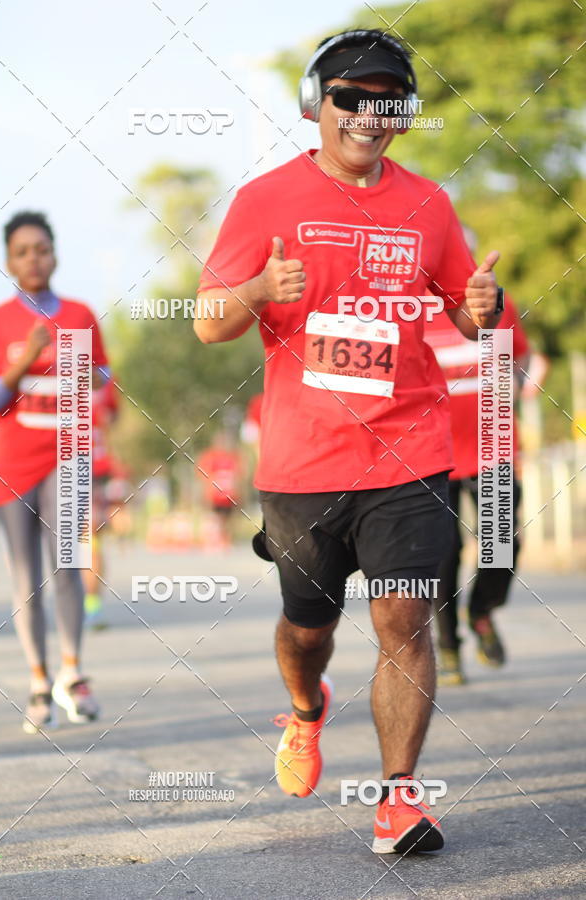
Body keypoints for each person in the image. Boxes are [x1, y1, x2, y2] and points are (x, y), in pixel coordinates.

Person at [195, 29, 504, 855]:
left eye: (388, 100)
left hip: (411, 449)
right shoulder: (264, 199)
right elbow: (208, 322)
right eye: (351, 97)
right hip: (304, 462)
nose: (370, 113)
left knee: (404, 618)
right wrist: (260, 287)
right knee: (309, 628)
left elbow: (468, 314)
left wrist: (486, 304)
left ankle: (399, 799)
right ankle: (306, 709)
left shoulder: (429, 205)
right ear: (316, 104)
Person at [0, 211, 109, 733]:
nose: (33, 259)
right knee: (26, 577)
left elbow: (103, 377)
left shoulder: (80, 314)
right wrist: (29, 357)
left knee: (68, 565)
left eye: (41, 248)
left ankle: (72, 675)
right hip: (13, 461)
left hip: (69, 454)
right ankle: (39, 683)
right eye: (22, 252)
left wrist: (91, 373)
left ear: (54, 254)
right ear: (9, 262)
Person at [423, 256, 530, 684]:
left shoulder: (497, 303)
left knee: (502, 542)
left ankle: (482, 611)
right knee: (443, 553)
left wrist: (512, 391)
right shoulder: (411, 310)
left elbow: (519, 358)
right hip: (431, 452)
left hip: (494, 445)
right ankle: (448, 644)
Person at [82, 378, 120, 629]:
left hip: (94, 470)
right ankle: (84, 601)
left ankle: (92, 604)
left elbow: (114, 417)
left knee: (89, 539)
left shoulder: (106, 379)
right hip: (57, 468)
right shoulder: (47, 370)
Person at [197, 431, 243, 549]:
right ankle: (214, 539)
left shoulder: (233, 457)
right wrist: (206, 493)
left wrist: (239, 493)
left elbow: (238, 476)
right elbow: (204, 476)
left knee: (229, 518)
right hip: (214, 495)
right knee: (214, 518)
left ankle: (227, 539)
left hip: (229, 495)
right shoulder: (210, 456)